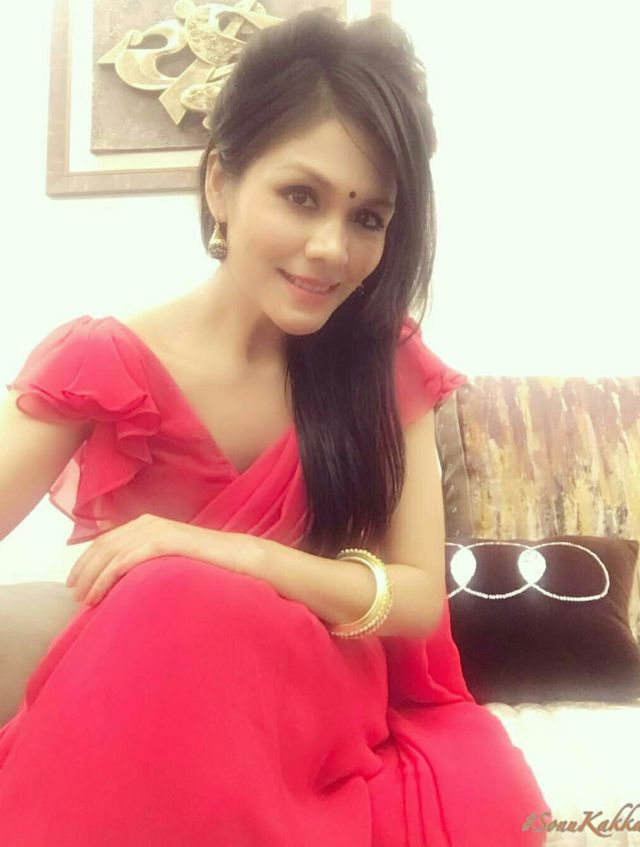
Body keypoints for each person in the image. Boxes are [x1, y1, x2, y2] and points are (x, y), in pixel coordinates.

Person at [0, 8, 551, 845]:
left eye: (368, 218)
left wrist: (231, 553)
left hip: (319, 706)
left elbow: (414, 600)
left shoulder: (381, 362)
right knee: (163, 600)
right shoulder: (105, 363)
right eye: (301, 197)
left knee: (173, 585)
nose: (331, 247)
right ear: (221, 184)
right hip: (157, 702)